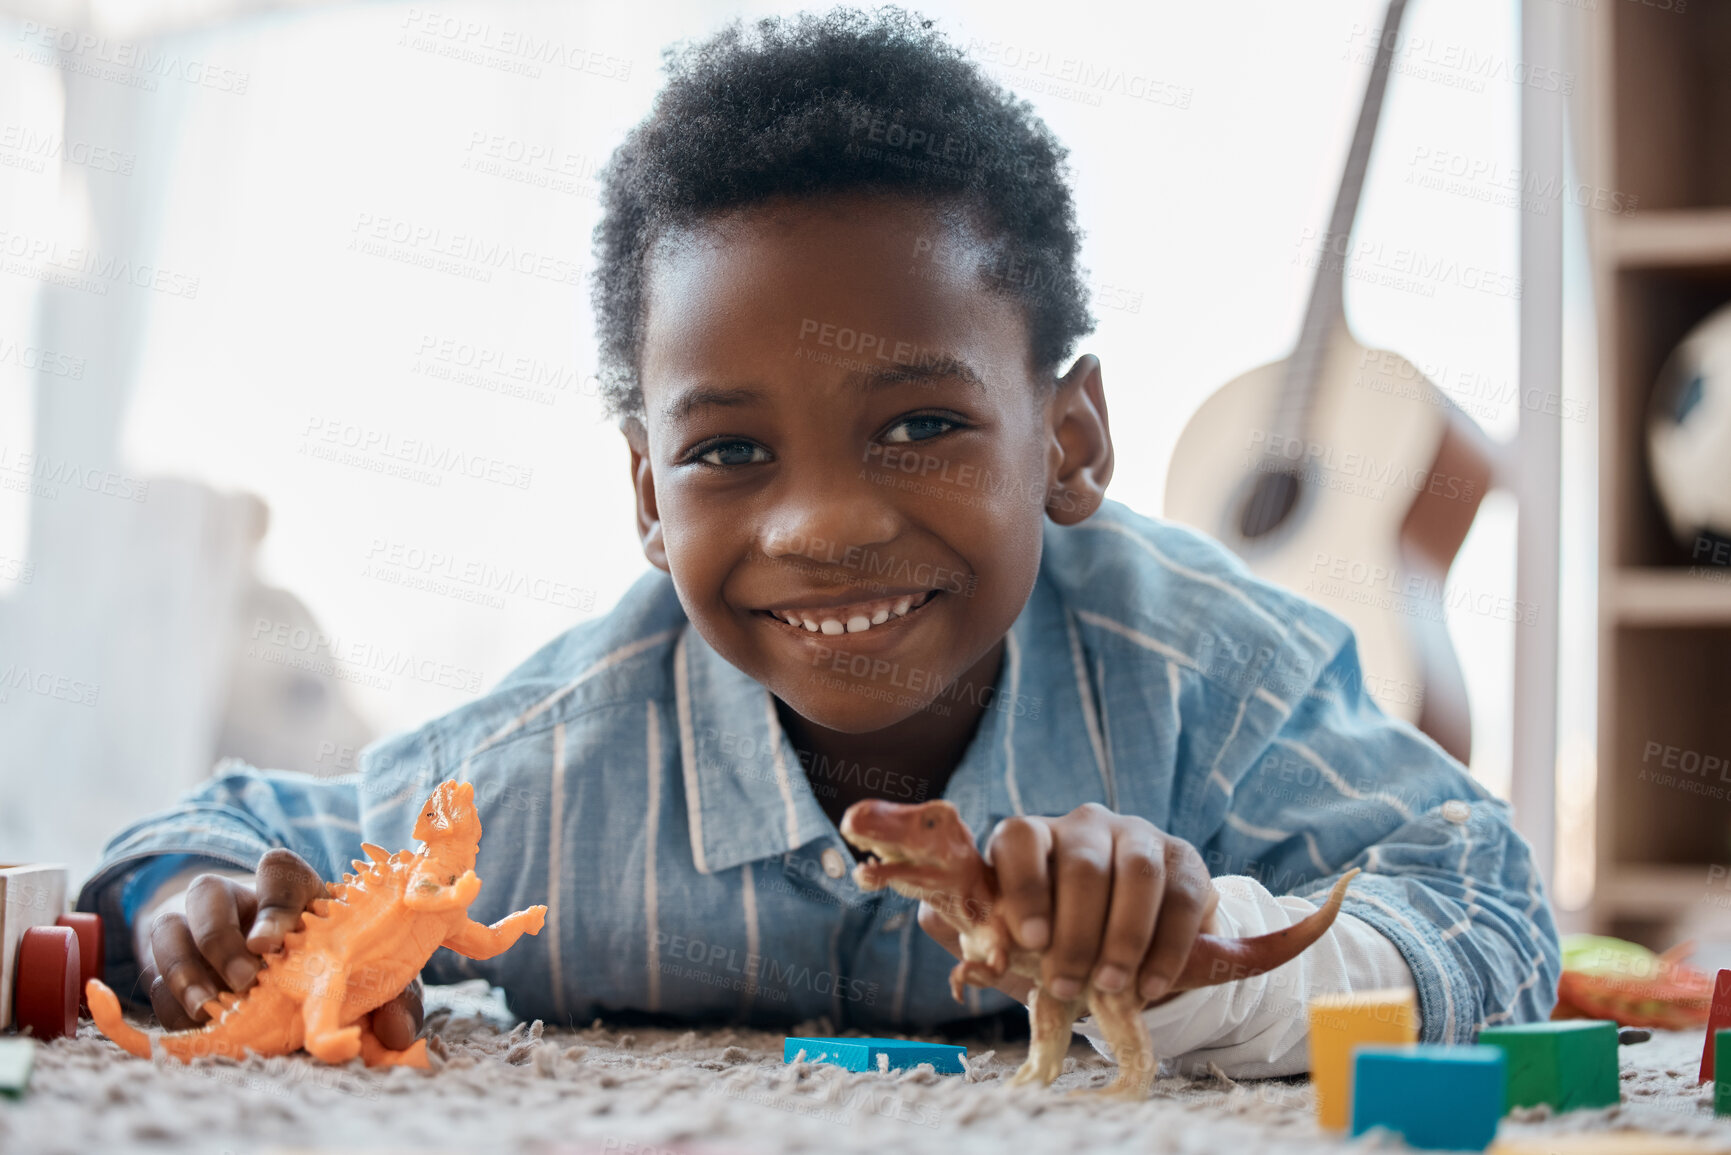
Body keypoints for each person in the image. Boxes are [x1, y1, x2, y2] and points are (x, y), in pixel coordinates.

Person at [76, 7, 1558, 1076]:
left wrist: (1204, 947)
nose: (829, 523)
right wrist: (189, 915)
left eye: (919, 424)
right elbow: (218, 839)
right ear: (651, 498)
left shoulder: (1213, 680)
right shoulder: (556, 777)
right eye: (728, 453)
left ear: (1072, 440)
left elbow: (1487, 904)